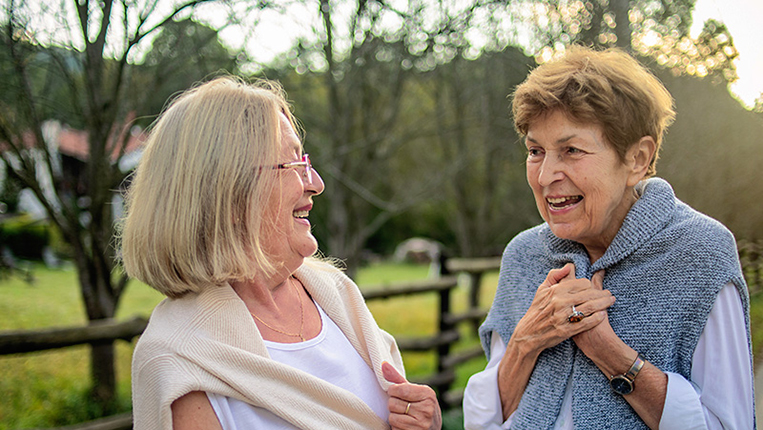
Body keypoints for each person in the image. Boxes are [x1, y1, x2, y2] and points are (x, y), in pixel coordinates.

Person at [121, 76, 442, 430]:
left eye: (304, 160)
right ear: (231, 192)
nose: (316, 183)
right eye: (293, 164)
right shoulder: (179, 359)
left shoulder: (336, 294)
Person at [462, 46, 755, 429]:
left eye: (571, 150)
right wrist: (526, 341)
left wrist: (609, 352)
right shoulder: (524, 255)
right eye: (536, 151)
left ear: (637, 158)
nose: (546, 174)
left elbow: (728, 424)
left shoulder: (700, 254)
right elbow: (483, 422)